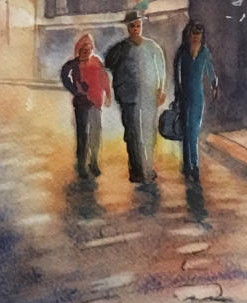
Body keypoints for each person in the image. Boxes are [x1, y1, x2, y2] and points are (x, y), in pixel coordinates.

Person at [104, 11, 166, 184]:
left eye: (138, 25)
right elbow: (108, 64)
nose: (136, 29)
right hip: (128, 98)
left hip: (149, 97)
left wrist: (161, 90)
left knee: (149, 132)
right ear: (127, 27)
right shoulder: (120, 49)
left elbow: (161, 69)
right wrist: (122, 83)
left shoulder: (153, 47)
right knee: (132, 134)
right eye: (132, 26)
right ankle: (136, 171)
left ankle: (147, 168)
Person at [60, 33, 111, 179]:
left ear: (92, 49)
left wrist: (108, 94)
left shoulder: (97, 61)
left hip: (96, 103)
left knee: (95, 133)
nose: (86, 52)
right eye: (83, 50)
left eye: (88, 49)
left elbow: (104, 78)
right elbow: (64, 75)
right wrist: (75, 90)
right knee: (82, 135)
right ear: (79, 50)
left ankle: (93, 162)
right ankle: (81, 165)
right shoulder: (74, 64)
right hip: (82, 104)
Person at [173, 19, 218, 182]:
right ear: (188, 35)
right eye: (193, 35)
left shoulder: (204, 52)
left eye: (198, 35)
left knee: (193, 130)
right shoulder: (182, 52)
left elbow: (210, 69)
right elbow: (176, 73)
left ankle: (194, 165)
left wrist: (214, 84)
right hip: (184, 95)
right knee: (186, 131)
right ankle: (188, 165)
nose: (196, 38)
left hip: (197, 96)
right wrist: (177, 92)